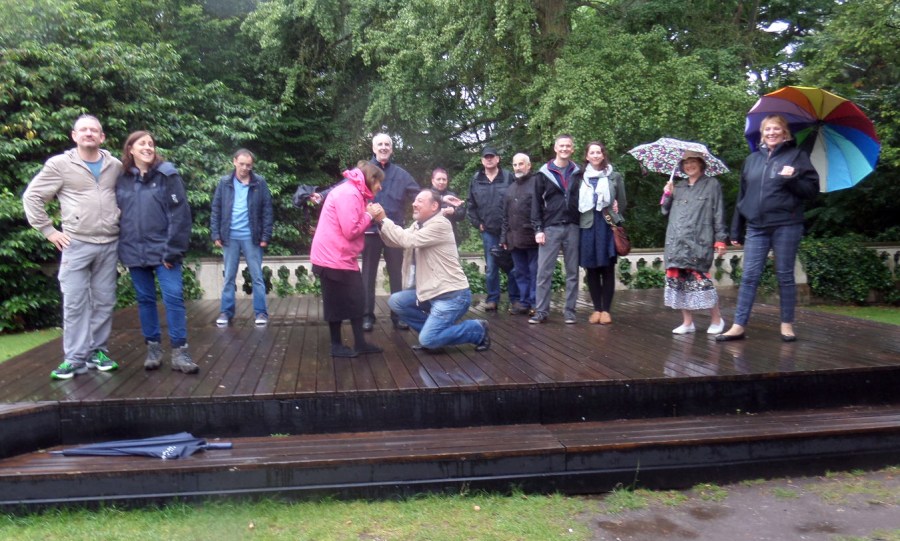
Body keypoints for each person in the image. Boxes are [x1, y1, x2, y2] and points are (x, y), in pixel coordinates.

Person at [23, 114, 123, 380]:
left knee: (104, 301)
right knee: (75, 302)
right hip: (76, 244)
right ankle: (75, 359)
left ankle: (97, 352)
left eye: (94, 130)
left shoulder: (115, 165)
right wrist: (48, 231)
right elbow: (33, 197)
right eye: (84, 130)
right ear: (74, 136)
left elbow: (125, 196)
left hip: (109, 243)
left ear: (102, 137)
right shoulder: (59, 165)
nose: (89, 133)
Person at [717, 114, 819, 342]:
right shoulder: (752, 160)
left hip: (786, 225)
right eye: (767, 130)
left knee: (784, 275)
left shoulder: (797, 156)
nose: (772, 133)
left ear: (785, 133)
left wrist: (792, 180)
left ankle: (787, 325)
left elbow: (811, 192)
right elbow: (743, 197)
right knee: (749, 276)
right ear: (762, 134)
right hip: (756, 227)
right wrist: (736, 230)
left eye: (776, 129)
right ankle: (738, 325)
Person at [115, 131, 198, 373]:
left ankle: (180, 352)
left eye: (151, 143)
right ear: (130, 149)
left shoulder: (167, 175)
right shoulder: (122, 179)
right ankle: (153, 348)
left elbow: (180, 215)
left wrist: (172, 251)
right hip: (134, 251)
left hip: (164, 252)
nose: (148, 147)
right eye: (142, 143)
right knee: (145, 300)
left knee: (173, 299)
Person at [375, 189, 490, 352]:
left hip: (452, 296)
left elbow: (407, 240)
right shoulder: (418, 225)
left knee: (428, 339)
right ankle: (434, 335)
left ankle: (477, 330)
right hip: (430, 292)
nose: (414, 203)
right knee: (396, 301)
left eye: (420, 201)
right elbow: (396, 241)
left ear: (434, 206)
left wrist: (384, 219)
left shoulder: (440, 224)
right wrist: (380, 223)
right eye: (415, 200)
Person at [310, 162, 385, 357]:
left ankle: (360, 343)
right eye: (379, 183)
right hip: (331, 258)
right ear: (372, 179)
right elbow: (350, 231)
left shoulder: (355, 192)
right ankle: (336, 346)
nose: (380, 187)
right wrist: (369, 215)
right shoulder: (349, 193)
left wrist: (367, 212)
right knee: (335, 302)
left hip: (342, 256)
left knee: (356, 299)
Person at [660, 150, 727, 335]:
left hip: (699, 241)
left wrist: (721, 239)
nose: (689, 165)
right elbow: (664, 211)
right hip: (676, 241)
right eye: (686, 162)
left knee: (702, 282)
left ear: (701, 163)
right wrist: (667, 194)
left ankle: (717, 319)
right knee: (679, 282)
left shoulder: (711, 184)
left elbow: (718, 212)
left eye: (693, 162)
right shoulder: (678, 187)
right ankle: (687, 322)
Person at [360, 133, 420, 332]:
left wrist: (442, 200)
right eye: (380, 144)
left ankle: (399, 315)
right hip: (369, 230)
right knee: (368, 275)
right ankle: (367, 316)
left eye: (387, 144)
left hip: (393, 231)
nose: (384, 147)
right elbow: (343, 189)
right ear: (373, 148)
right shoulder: (363, 171)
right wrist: (320, 195)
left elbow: (420, 196)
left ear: (392, 149)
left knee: (397, 274)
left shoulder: (402, 174)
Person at [210, 149, 274, 328]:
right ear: (234, 162)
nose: (245, 168)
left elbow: (267, 210)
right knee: (229, 276)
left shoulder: (259, 183)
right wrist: (216, 234)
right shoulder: (224, 182)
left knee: (257, 277)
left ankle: (261, 312)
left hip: (252, 238)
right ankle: (226, 312)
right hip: (229, 237)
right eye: (242, 164)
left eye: (248, 165)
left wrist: (265, 236)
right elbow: (216, 209)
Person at [530, 134, 581, 324]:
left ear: (572, 149)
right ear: (555, 148)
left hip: (573, 226)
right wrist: (538, 229)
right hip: (550, 227)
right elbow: (535, 202)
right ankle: (541, 311)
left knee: (573, 272)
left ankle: (570, 312)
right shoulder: (543, 173)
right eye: (562, 145)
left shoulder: (578, 172)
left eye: (568, 146)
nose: (565, 148)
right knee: (543, 272)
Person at [576, 141, 626, 325]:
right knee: (591, 269)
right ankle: (596, 309)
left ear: (603, 155)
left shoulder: (615, 176)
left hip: (607, 225)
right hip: (587, 226)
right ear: (587, 156)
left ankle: (606, 310)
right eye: (592, 152)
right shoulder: (580, 177)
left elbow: (622, 201)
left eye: (599, 152)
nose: (596, 155)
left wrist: (616, 210)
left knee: (607, 268)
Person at [467, 145, 520, 311]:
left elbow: (518, 200)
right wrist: (478, 224)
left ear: (498, 159)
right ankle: (492, 299)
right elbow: (471, 205)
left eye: (492, 157)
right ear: (482, 160)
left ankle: (515, 299)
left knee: (512, 267)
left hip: (509, 231)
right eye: (486, 157)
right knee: (491, 268)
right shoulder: (476, 179)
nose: (489, 159)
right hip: (488, 232)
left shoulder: (508, 177)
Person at [500, 153, 539, 315]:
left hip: (532, 237)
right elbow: (505, 216)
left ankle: (536, 303)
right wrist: (503, 237)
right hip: (514, 239)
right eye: (515, 165)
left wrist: (540, 231)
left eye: (521, 164)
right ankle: (523, 302)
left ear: (528, 165)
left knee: (534, 271)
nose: (517, 167)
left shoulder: (536, 184)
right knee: (520, 272)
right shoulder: (510, 188)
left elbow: (542, 211)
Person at [429, 167, 467, 244]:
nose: (441, 182)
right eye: (438, 179)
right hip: (431, 235)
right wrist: (441, 212)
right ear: (433, 181)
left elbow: (462, 215)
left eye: (444, 179)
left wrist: (454, 212)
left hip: (450, 237)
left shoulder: (452, 196)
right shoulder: (427, 195)